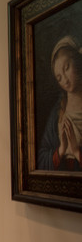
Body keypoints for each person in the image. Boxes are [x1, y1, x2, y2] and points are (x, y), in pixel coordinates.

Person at [37, 35, 82, 171]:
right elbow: (41, 158)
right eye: (59, 78)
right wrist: (61, 149)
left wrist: (76, 151)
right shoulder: (58, 111)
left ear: (78, 61)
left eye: (67, 68)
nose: (65, 80)